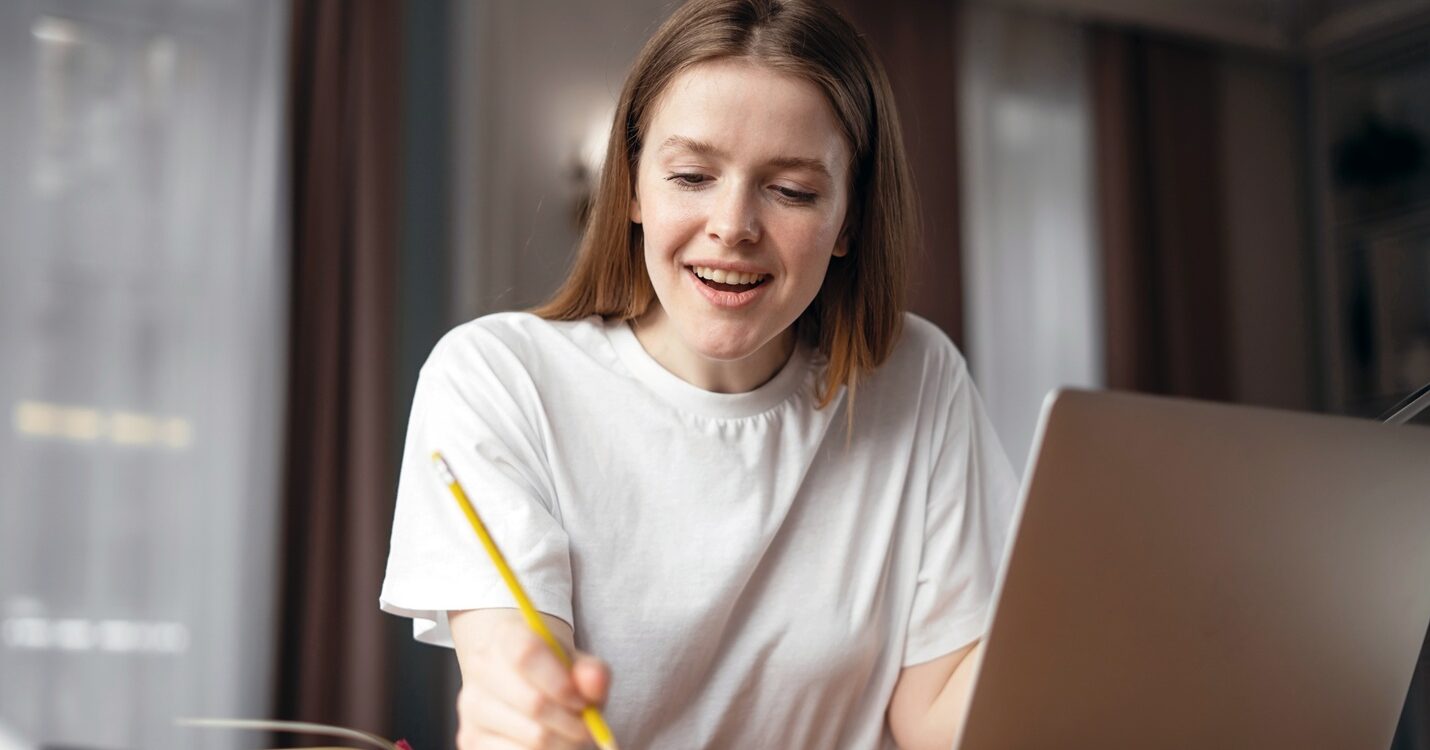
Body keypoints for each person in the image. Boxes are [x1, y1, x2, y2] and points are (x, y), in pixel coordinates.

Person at [379, 0, 1018, 747]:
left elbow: (935, 716)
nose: (732, 226)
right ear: (632, 186)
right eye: (690, 176)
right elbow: (517, 681)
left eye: (792, 191)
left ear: (849, 219)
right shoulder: (500, 379)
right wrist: (523, 710)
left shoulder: (917, 377)